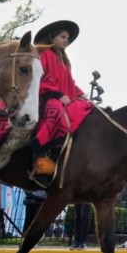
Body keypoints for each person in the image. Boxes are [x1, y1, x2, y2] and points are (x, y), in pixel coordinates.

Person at [31, 20, 94, 186]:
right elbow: (41, 77)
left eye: (68, 38)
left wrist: (80, 95)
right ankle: (39, 161)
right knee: (56, 114)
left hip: (62, 98)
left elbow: (70, 83)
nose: (67, 40)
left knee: (86, 108)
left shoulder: (65, 61)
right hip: (44, 97)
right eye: (63, 36)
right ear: (52, 37)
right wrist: (57, 94)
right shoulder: (44, 54)